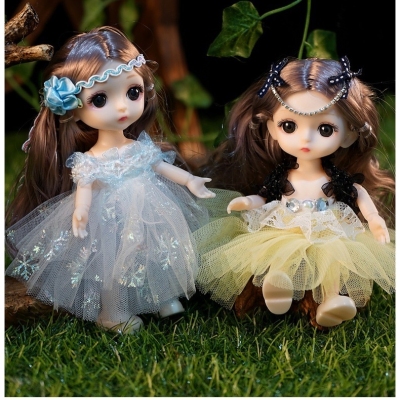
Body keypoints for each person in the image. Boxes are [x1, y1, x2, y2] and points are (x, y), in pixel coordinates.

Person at [5, 26, 215, 334]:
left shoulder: (139, 145)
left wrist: (189, 181)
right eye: (100, 99)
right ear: (73, 110)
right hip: (109, 220)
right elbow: (85, 188)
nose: (122, 107)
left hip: (150, 210)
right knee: (112, 265)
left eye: (133, 93)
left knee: (157, 251)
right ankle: (112, 311)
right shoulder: (89, 160)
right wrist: (80, 213)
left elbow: (158, 165)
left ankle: (162, 297)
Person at [194, 56, 395, 327]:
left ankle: (331, 301)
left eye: (325, 129)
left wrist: (374, 219)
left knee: (330, 260)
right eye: (289, 126)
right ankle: (277, 285)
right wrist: (248, 202)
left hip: (327, 228)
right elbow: (266, 194)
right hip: (285, 223)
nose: (305, 139)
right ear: (272, 128)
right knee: (279, 251)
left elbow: (357, 192)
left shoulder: (335, 179)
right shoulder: (283, 175)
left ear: (348, 135)